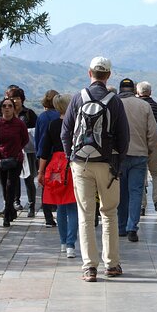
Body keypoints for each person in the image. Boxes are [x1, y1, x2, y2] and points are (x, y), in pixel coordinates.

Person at [61, 56, 129, 282]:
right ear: (108, 75)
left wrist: (71, 158)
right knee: (109, 213)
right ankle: (112, 264)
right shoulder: (115, 100)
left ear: (89, 73)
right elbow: (124, 137)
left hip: (81, 163)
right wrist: (116, 160)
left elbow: (66, 132)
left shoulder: (78, 98)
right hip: (107, 163)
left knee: (85, 215)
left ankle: (89, 267)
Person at [116, 78, 157, 242]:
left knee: (121, 193)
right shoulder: (144, 106)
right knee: (136, 192)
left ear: (120, 89)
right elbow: (153, 134)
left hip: (119, 156)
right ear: (134, 90)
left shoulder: (114, 104)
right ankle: (132, 228)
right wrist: (148, 149)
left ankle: (121, 227)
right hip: (139, 154)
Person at [37, 94, 78, 258]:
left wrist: (40, 172)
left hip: (55, 166)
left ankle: (63, 242)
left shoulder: (52, 124)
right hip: (73, 165)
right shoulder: (76, 124)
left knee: (60, 205)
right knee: (73, 206)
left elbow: (44, 150)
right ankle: (70, 245)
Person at [0, 86, 39, 220]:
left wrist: (21, 144)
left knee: (28, 179)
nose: (15, 101)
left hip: (26, 152)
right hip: (8, 153)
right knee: (11, 181)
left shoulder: (29, 113)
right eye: (12, 98)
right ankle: (14, 203)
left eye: (17, 98)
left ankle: (31, 205)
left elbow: (33, 133)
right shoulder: (2, 115)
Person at [0, 97, 29, 227]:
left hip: (16, 159)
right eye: (4, 106)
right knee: (4, 186)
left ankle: (6, 216)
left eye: (10, 106)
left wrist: (17, 149)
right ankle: (11, 210)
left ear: (13, 109)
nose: (7, 108)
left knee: (10, 185)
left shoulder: (19, 124)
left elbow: (25, 139)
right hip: (2, 159)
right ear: (1, 109)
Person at [136, 81, 157, 214]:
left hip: (139, 143)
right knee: (156, 173)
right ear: (150, 92)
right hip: (156, 143)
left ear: (138, 93)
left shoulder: (137, 107)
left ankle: (142, 206)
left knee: (140, 174)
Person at [34, 89, 60, 225]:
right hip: (58, 157)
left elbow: (37, 139)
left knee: (45, 187)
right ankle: (59, 211)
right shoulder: (60, 116)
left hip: (44, 156)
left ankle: (48, 218)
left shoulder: (42, 117)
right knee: (59, 184)